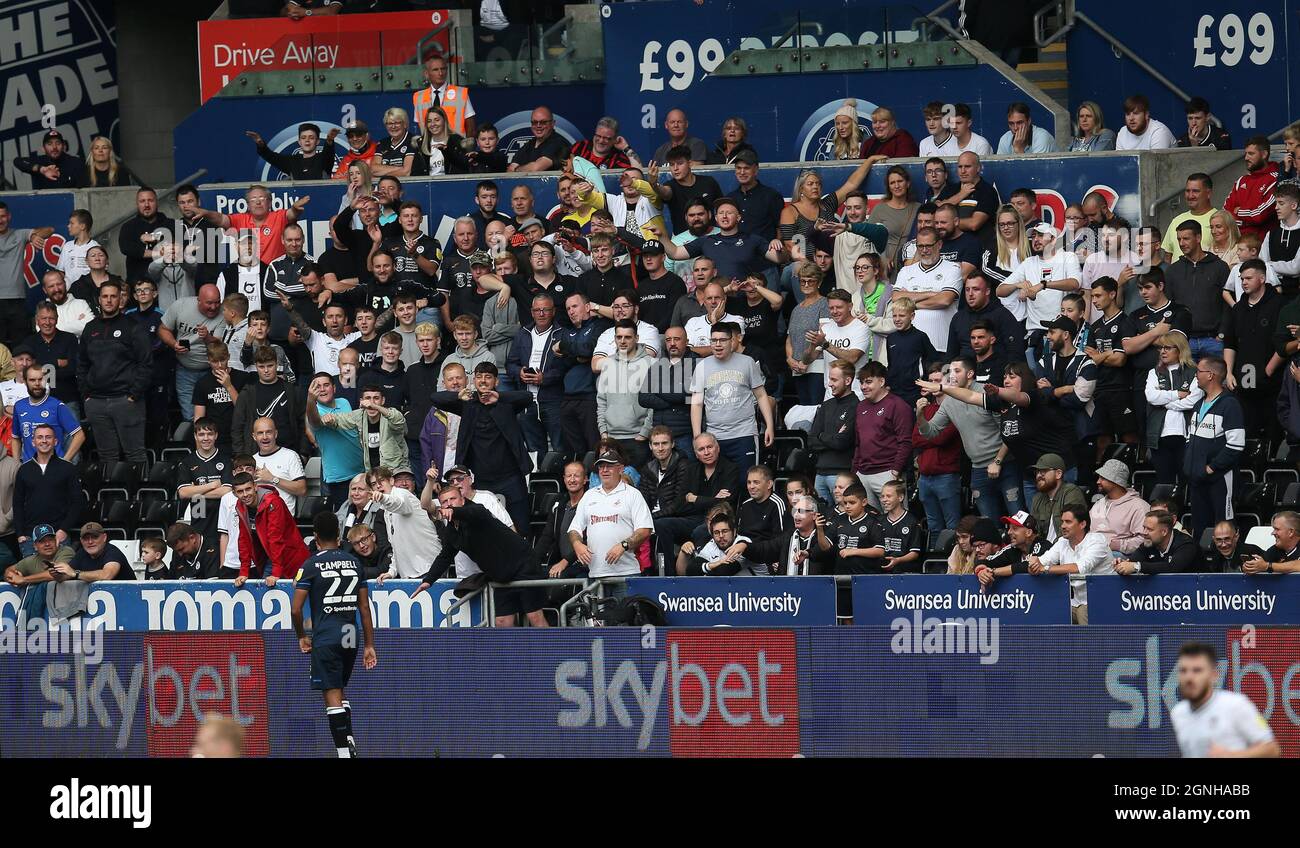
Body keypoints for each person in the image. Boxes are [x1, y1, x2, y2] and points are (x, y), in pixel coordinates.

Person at [291, 511, 377, 759]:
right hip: (351, 634)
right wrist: (370, 644)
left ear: (315, 538)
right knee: (339, 689)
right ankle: (348, 741)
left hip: (326, 636)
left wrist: (301, 636)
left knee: (331, 694)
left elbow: (296, 608)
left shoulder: (310, 565)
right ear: (339, 536)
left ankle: (343, 753)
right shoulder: (354, 563)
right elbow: (364, 607)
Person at [415, 482, 546, 625]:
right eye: (444, 502)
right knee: (502, 621)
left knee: (534, 616)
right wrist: (428, 580)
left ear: (462, 500)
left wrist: (455, 512)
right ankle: (509, 648)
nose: (449, 504)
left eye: (453, 499)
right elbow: (445, 556)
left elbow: (476, 512)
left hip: (523, 565)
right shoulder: (452, 530)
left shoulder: (476, 511)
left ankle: (552, 647)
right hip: (501, 575)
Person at [429, 361, 532, 531]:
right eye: (479, 377)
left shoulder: (506, 403)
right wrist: (458, 396)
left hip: (510, 475)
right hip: (481, 479)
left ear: (496, 382)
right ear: (473, 380)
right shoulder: (467, 403)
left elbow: (527, 398)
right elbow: (435, 398)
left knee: (520, 525)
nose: (483, 380)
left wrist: (499, 397)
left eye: (488, 377)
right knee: (483, 527)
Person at [917, 357, 1015, 518]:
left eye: (957, 371)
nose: (952, 376)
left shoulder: (987, 392)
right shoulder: (949, 402)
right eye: (949, 372)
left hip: (1005, 463)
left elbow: (1009, 431)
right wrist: (920, 416)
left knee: (1017, 516)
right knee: (988, 524)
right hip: (977, 468)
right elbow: (930, 432)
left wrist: (998, 461)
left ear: (970, 373)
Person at [76, 281, 150, 463]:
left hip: (126, 401)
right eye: (105, 296)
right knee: (107, 456)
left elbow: (146, 363)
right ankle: (113, 493)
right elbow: (81, 364)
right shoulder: (90, 328)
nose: (109, 300)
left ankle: (140, 492)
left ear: (121, 299)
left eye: (113, 296)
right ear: (98, 300)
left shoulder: (133, 326)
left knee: (135, 454)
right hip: (96, 403)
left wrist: (133, 394)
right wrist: (86, 395)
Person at [1170, 641, 1280, 758]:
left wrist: (1231, 755)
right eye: (1183, 670)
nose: (1189, 677)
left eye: (1197, 670)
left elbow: (1272, 749)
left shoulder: (1236, 705)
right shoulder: (1178, 713)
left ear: (1214, 675)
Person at [690, 322, 775, 472]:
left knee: (747, 481)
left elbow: (761, 395)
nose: (717, 344)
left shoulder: (747, 362)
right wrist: (698, 436)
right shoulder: (701, 366)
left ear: (732, 341)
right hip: (714, 437)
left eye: (722, 340)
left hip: (745, 433)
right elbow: (697, 404)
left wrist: (769, 425)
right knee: (719, 486)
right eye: (714, 340)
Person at [567, 448, 655, 592]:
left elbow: (645, 530)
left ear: (620, 469)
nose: (604, 470)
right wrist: (577, 544)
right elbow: (574, 529)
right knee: (598, 615)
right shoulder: (589, 496)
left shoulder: (633, 494)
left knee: (626, 614)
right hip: (595, 575)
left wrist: (623, 545)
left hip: (626, 573)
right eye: (601, 466)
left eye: (609, 466)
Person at [996, 223, 1082, 360]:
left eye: (1041, 235)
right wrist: (1018, 285)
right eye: (1033, 236)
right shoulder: (1029, 263)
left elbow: (1075, 283)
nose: (1035, 239)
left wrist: (1043, 285)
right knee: (1037, 379)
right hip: (1036, 333)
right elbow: (1000, 291)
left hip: (1063, 333)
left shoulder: (1067, 257)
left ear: (1053, 239)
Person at [1223, 259, 1284, 443]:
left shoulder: (1279, 305)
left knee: (1273, 430)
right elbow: (1230, 343)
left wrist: (1268, 370)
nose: (1244, 283)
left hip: (1273, 382)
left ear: (1262, 278)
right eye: (1241, 279)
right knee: (1248, 428)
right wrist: (1228, 372)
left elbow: (1284, 343)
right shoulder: (1238, 308)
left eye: (1248, 278)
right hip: (1245, 380)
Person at [1183, 356, 1245, 536]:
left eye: (1198, 372)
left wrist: (1212, 468)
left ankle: (1225, 564)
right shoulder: (1197, 404)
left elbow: (1236, 444)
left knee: (1223, 528)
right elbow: (1189, 438)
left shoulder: (1229, 404)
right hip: (1196, 479)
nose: (1195, 376)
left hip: (1220, 479)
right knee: (1200, 529)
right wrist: (1190, 465)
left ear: (1210, 375)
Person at [1026, 505, 1113, 624]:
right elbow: (1040, 562)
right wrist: (1033, 565)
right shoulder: (1062, 542)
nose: (1062, 526)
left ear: (1082, 524)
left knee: (1083, 612)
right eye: (1062, 521)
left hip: (1100, 600)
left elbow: (1079, 567)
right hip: (1073, 602)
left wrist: (1044, 568)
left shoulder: (1097, 540)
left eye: (1068, 522)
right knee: (1045, 611)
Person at [12, 424, 84, 559]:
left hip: (59, 536)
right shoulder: (24, 470)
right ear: (33, 442)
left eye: (48, 437)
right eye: (40, 437)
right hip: (30, 538)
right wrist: (21, 534)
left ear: (55, 441)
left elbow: (77, 502)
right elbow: (17, 504)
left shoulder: (67, 468)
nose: (44, 441)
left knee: (60, 577)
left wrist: (63, 530)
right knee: (33, 579)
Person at [851, 360, 913, 510]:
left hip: (887, 473)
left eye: (868, 382)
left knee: (894, 522)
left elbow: (906, 442)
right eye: (861, 382)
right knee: (867, 525)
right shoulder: (860, 406)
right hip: (863, 474)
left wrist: (895, 470)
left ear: (882, 381)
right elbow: (859, 443)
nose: (863, 387)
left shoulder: (898, 405)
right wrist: (855, 472)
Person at [892, 228, 962, 354]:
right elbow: (896, 297)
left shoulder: (953, 268)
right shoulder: (906, 271)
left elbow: (945, 300)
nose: (924, 250)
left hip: (941, 346)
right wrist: (930, 294)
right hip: (911, 347)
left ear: (939, 244)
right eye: (920, 246)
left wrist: (910, 304)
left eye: (929, 246)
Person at [595, 321, 654, 468]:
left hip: (638, 438)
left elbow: (655, 403)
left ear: (637, 338)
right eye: (618, 337)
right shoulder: (607, 363)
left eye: (627, 337)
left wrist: (644, 432)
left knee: (638, 485)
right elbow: (601, 401)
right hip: (611, 439)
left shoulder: (651, 363)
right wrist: (603, 432)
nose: (622, 341)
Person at [912, 363, 962, 532]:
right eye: (930, 380)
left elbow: (943, 437)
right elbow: (914, 439)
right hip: (925, 477)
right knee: (933, 527)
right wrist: (931, 436)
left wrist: (927, 435)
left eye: (937, 380)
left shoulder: (956, 406)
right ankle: (934, 559)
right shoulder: (925, 408)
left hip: (946, 475)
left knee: (952, 526)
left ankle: (953, 559)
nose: (932, 384)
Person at [367, 465, 440, 579]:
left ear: (391, 481)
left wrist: (383, 498)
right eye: (374, 484)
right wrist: (392, 572)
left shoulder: (402, 494)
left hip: (430, 568)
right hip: (410, 575)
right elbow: (396, 546)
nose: (378, 485)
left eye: (381, 480)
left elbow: (398, 504)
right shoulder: (386, 511)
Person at [232, 350, 303, 457]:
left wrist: (304, 453)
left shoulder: (292, 391)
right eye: (261, 366)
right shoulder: (247, 393)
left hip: (289, 453)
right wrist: (240, 456)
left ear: (277, 364)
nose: (266, 370)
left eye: (270, 365)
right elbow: (237, 427)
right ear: (256, 366)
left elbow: (303, 423)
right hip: (256, 455)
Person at [10, 364, 83, 462]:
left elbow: (79, 435)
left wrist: (65, 461)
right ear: (25, 381)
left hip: (54, 467)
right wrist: (16, 464)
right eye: (32, 380)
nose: (37, 383)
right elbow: (15, 438)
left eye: (41, 379)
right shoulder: (19, 406)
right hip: (29, 467)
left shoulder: (57, 406)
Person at [652, 146, 723, 235]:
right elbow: (665, 193)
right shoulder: (670, 185)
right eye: (671, 164)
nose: (675, 168)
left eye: (680, 163)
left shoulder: (709, 182)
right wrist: (654, 184)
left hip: (711, 236)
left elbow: (722, 207)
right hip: (681, 240)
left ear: (689, 163)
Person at [936, 152, 1000, 250]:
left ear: (978, 168)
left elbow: (974, 224)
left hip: (976, 247)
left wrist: (947, 224)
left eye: (967, 166)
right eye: (960, 167)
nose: (963, 171)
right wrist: (960, 195)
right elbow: (933, 211)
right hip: (947, 246)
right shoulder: (950, 189)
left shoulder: (987, 191)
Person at [1223, 136, 1279, 241]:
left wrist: (1239, 212)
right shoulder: (1241, 181)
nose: (1246, 158)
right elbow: (1226, 213)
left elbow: (1260, 215)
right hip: (1238, 245)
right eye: (1246, 153)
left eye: (1251, 154)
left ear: (1264, 154)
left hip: (1262, 246)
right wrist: (1247, 219)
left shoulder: (1275, 180)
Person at [1114, 509, 1199, 575]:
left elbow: (1172, 568)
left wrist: (1137, 567)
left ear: (1164, 532)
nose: (1144, 532)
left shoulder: (1186, 544)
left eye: (1149, 529)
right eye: (1144, 527)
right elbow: (1132, 562)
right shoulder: (1148, 543)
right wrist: (1122, 564)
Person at [412, 52, 476, 138]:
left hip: (455, 147)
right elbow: (419, 127)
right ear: (426, 74)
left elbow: (471, 127)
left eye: (443, 69)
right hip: (430, 148)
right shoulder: (418, 97)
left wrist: (466, 148)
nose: (440, 73)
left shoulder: (460, 94)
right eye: (435, 70)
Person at [1026, 453, 1088, 542]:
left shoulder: (1071, 492)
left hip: (1066, 548)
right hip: (1045, 551)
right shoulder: (1037, 498)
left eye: (1043, 471)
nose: (1038, 476)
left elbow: (1072, 530)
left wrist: (1051, 551)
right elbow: (1034, 531)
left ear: (1058, 474)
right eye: (1037, 472)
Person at [245, 122, 335, 181]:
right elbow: (270, 156)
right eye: (303, 138)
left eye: (311, 138)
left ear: (317, 141)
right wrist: (260, 143)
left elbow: (328, 153)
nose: (307, 140)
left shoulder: (323, 159)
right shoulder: (292, 161)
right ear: (299, 142)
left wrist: (329, 140)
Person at [1161, 175, 1218, 260]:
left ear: (1208, 193)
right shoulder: (1176, 220)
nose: (1190, 196)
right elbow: (1168, 256)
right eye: (1188, 191)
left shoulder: (1220, 220)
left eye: (1195, 191)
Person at [508, 106, 569, 172]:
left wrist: (516, 169)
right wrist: (518, 169)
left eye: (543, 122)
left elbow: (536, 168)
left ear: (552, 123)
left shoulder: (558, 143)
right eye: (534, 122)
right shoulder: (529, 144)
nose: (538, 126)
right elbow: (510, 169)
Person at [1241, 511, 1300, 575]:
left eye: (1277, 529)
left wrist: (1268, 566)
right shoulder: (1275, 549)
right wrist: (1251, 567)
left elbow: (1297, 565)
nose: (1273, 533)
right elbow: (1262, 564)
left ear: (1291, 532)